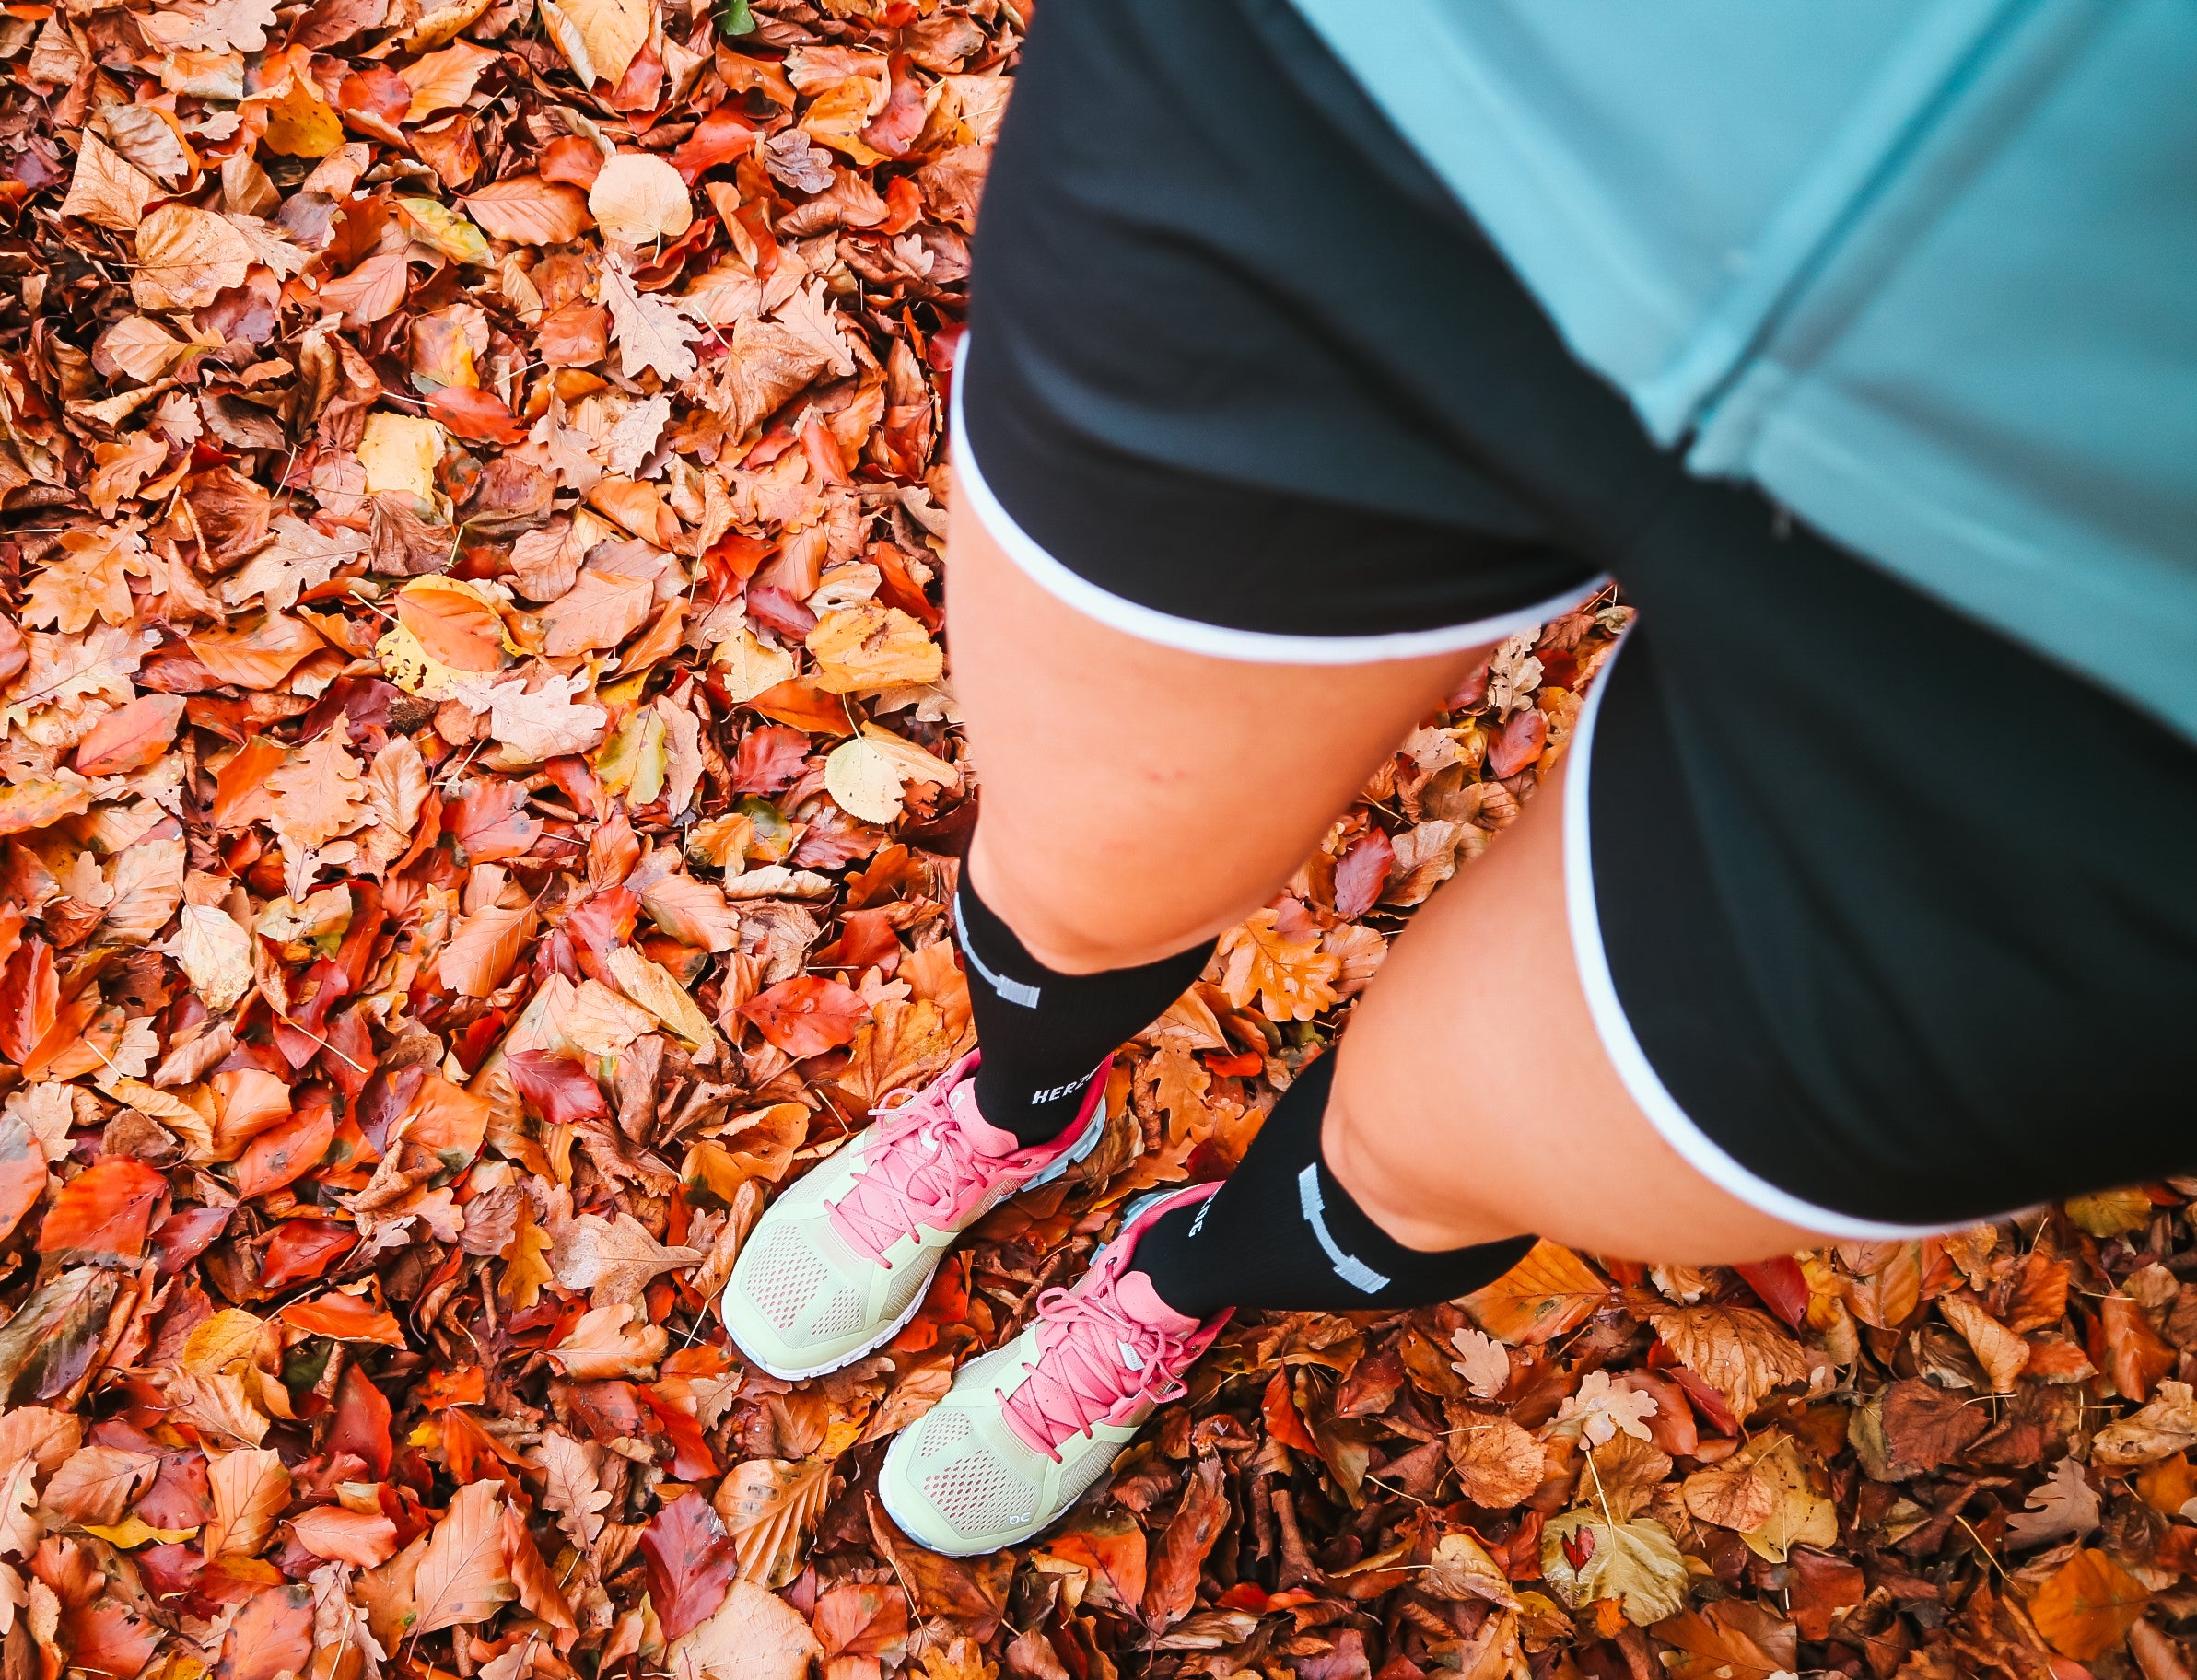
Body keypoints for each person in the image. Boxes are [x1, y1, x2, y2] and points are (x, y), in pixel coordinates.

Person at [721, 0, 2197, 1557]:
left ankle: (1185, 1276)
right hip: (1435, 86)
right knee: (1091, 853)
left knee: (1445, 1148)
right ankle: (1017, 1113)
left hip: (2120, 623)